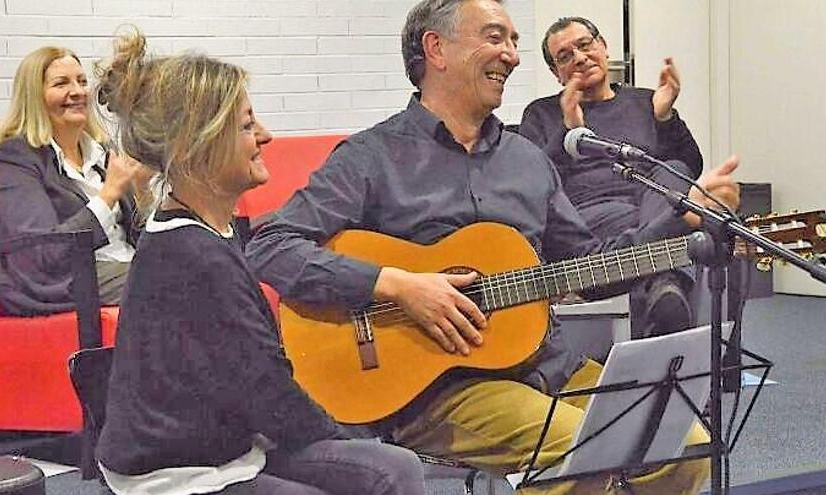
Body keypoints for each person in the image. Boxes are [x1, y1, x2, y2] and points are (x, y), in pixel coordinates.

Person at [247, 1, 739, 494]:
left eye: (513, 42)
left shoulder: (527, 161)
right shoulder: (371, 157)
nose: (512, 56)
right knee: (586, 452)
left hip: (549, 367)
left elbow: (589, 266)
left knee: (686, 446)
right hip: (441, 390)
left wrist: (681, 217)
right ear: (435, 49)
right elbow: (270, 246)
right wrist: (399, 285)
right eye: (495, 37)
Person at [93, 31, 426, 495]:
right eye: (247, 125)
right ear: (196, 146)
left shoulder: (206, 234)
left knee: (394, 467)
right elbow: (267, 392)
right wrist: (345, 437)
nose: (266, 135)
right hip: (179, 472)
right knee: (382, 469)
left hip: (228, 447)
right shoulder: (193, 255)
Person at [520, 16, 704, 338]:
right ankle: (665, 283)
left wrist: (665, 117)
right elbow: (531, 184)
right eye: (564, 56)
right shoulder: (541, 114)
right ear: (555, 73)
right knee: (666, 219)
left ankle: (662, 284)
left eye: (585, 45)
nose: (579, 57)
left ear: (603, 47)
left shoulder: (644, 100)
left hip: (650, 202)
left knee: (674, 168)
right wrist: (568, 128)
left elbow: (689, 166)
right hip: (591, 216)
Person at [0, 46, 153, 316]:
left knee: (201, 264)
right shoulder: (17, 159)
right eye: (61, 83)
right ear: (34, 97)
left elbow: (136, 236)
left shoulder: (101, 150)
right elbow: (42, 254)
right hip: (67, 280)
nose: (78, 92)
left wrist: (143, 191)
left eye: (82, 81)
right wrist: (108, 195)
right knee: (176, 278)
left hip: (124, 264)